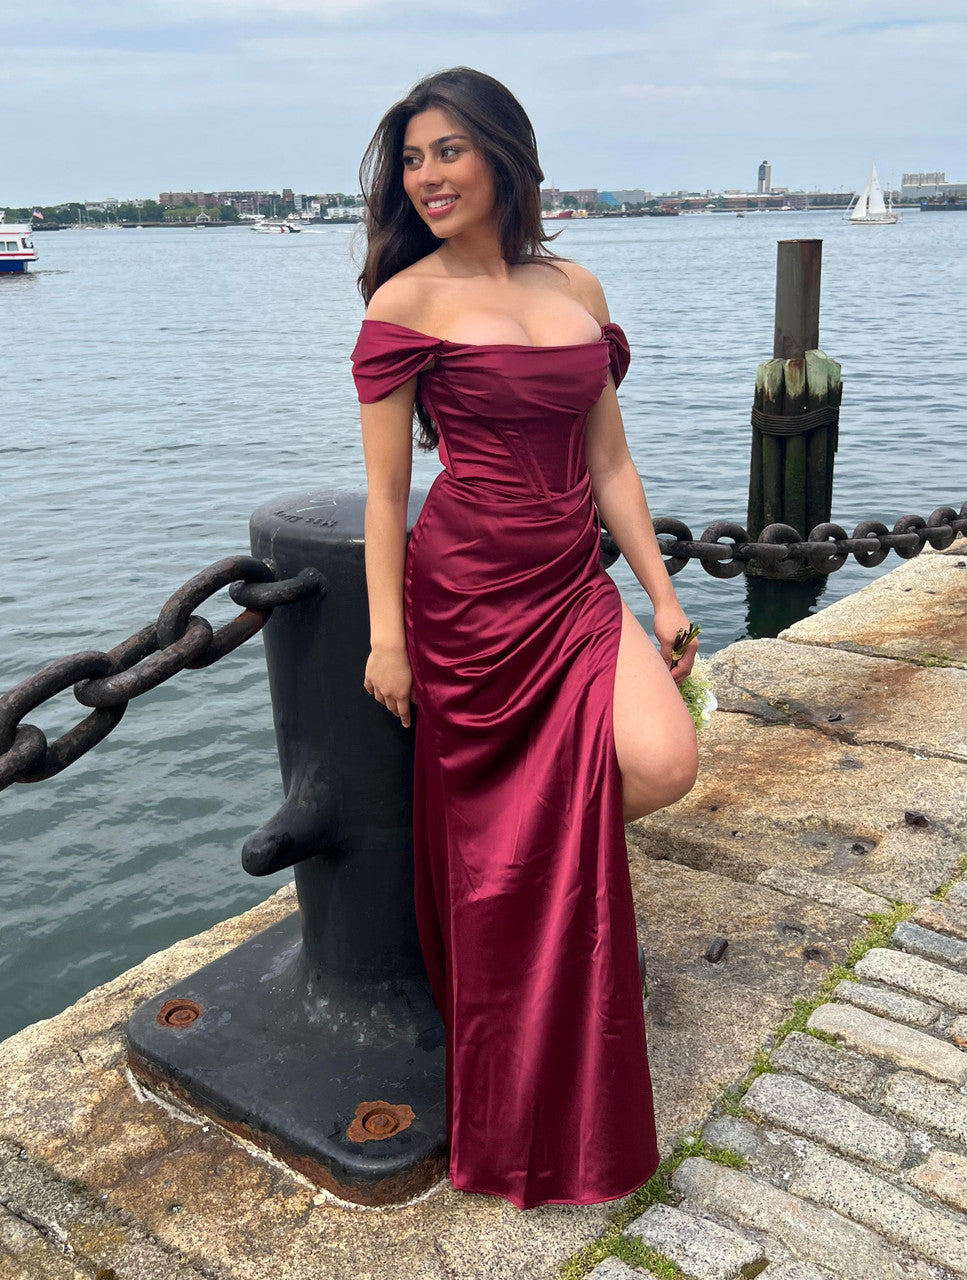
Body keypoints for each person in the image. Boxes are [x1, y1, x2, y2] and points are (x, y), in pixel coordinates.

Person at [350, 67, 699, 1210]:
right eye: (410, 159)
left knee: (662, 761)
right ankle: (539, 989)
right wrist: (385, 638)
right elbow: (386, 495)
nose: (427, 176)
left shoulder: (576, 284)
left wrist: (660, 592)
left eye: (446, 151)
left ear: (503, 154)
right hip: (464, 600)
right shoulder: (403, 303)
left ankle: (558, 932)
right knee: (508, 832)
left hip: (571, 583)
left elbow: (611, 461)